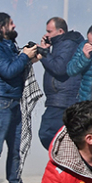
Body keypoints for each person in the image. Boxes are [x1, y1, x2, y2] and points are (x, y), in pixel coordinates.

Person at [0, 12, 40, 183]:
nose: (14, 25)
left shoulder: (7, 46)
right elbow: (8, 71)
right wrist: (24, 57)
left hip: (13, 101)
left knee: (16, 148)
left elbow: (15, 67)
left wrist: (28, 58)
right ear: (1, 27)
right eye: (10, 23)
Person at [37, 17, 83, 149]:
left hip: (62, 98)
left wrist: (44, 53)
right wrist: (46, 49)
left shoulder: (68, 44)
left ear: (61, 31)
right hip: (58, 98)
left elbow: (59, 68)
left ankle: (65, 159)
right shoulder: (59, 44)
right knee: (60, 134)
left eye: (49, 31)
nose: (46, 35)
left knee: (47, 132)